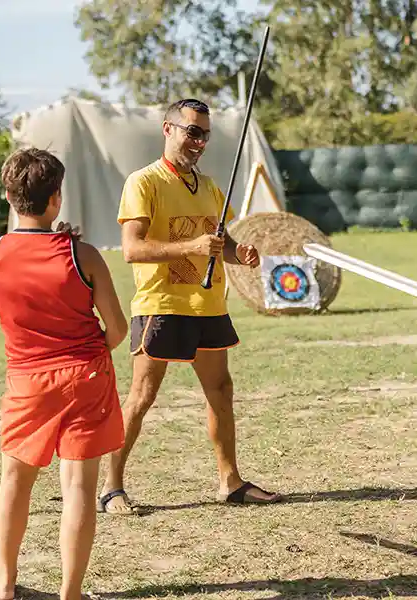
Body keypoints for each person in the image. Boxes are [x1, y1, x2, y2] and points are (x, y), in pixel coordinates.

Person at [97, 98, 282, 515]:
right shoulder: (142, 183)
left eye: (205, 134)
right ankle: (112, 487)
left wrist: (241, 254)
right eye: (192, 132)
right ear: (168, 129)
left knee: (221, 390)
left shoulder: (212, 187)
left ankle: (230, 481)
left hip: (208, 306)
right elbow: (132, 249)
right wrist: (192, 247)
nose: (199, 141)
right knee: (143, 396)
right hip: (162, 304)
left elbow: (222, 244)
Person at [0, 147, 128, 600]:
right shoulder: (83, 255)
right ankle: (71, 594)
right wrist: (86, 352)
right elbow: (118, 329)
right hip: (85, 377)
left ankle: (4, 584)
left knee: (14, 482)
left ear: (8, 195)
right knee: (78, 487)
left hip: (27, 382)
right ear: (57, 198)